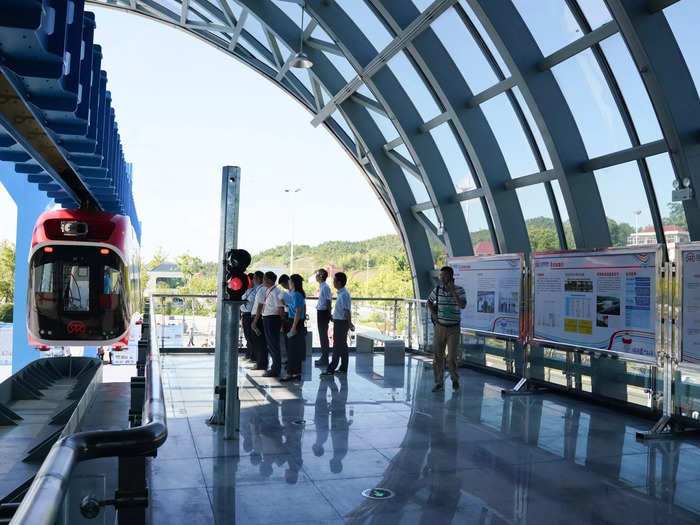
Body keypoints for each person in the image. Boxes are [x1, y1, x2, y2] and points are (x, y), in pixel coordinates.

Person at [426, 266, 466, 392]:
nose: (441, 278)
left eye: (444, 276)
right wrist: (433, 313)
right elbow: (429, 302)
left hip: (453, 329)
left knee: (452, 357)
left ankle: (455, 380)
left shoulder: (460, 290)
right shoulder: (437, 290)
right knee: (438, 356)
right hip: (440, 327)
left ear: (450, 276)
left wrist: (453, 291)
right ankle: (439, 382)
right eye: (440, 276)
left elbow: (462, 305)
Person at [253, 271, 285, 377]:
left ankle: (275, 370)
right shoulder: (269, 290)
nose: (263, 281)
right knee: (271, 345)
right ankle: (274, 368)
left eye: (265, 279)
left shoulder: (276, 292)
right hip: (267, 318)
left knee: (274, 345)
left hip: (273, 319)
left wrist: (282, 322)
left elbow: (280, 308)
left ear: (270, 280)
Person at [321, 272, 354, 376]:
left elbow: (346, 310)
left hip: (341, 323)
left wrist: (350, 324)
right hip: (339, 322)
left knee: (337, 346)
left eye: (334, 280)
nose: (333, 282)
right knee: (343, 346)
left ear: (339, 282)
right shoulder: (341, 293)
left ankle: (331, 369)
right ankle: (343, 368)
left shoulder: (344, 294)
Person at [281, 274, 306, 382]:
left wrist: (293, 327)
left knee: (292, 349)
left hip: (294, 323)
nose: (289, 284)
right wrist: (286, 305)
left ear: (294, 283)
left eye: (290, 282)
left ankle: (290, 373)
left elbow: (298, 311)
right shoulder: (298, 294)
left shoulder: (296, 294)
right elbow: (294, 308)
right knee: (295, 348)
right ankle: (296, 373)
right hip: (297, 322)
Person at [249, 271, 268, 370]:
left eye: (255, 278)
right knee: (259, 342)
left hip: (258, 318)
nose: (253, 280)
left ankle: (261, 363)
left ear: (260, 279)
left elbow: (260, 306)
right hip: (257, 317)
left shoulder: (261, 290)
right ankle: (261, 362)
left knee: (259, 342)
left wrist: (255, 321)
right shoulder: (260, 289)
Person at [315, 269, 333, 367]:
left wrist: (329, 314)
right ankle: (324, 357)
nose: (316, 276)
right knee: (322, 336)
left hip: (323, 313)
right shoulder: (322, 287)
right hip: (321, 312)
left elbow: (328, 301)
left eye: (317, 274)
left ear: (321, 276)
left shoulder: (325, 287)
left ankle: (325, 358)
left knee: (323, 336)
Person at [241, 272, 259, 361]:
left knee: (251, 336)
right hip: (244, 315)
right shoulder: (247, 290)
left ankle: (253, 356)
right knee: (247, 336)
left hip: (250, 315)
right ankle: (249, 354)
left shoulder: (256, 291)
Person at [278, 274, 291, 365]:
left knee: (290, 337)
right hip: (287, 315)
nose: (283, 287)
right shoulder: (288, 292)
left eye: (283, 285)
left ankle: (291, 358)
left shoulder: (293, 293)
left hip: (290, 316)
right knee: (287, 337)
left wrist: (285, 304)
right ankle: (289, 357)